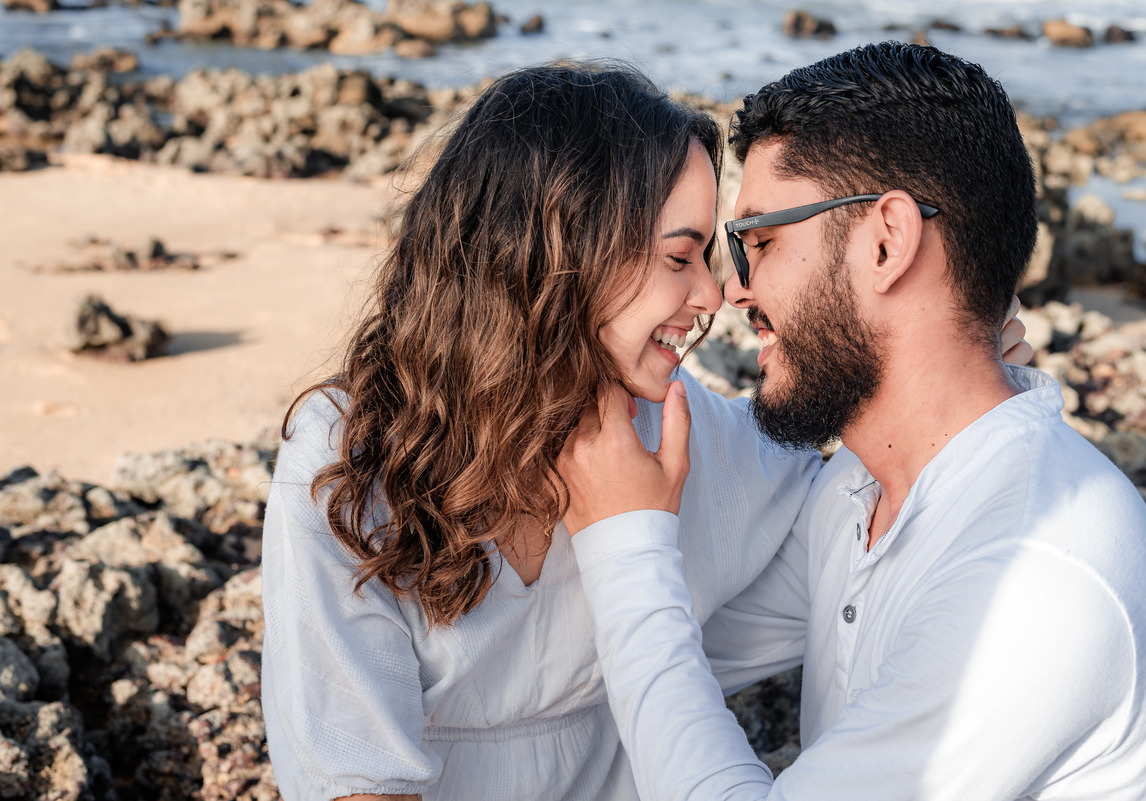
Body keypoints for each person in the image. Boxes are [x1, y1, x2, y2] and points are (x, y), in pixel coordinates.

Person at [560, 42, 1146, 800]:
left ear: (888, 242)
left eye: (759, 240)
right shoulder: (861, 494)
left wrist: (629, 548)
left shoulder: (1034, 579)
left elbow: (647, 620)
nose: (735, 290)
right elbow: (651, 648)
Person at [260, 62, 835, 801]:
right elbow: (358, 781)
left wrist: (972, 376)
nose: (712, 294)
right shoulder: (351, 456)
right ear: (560, 253)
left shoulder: (676, 431)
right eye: (678, 256)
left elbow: (866, 515)